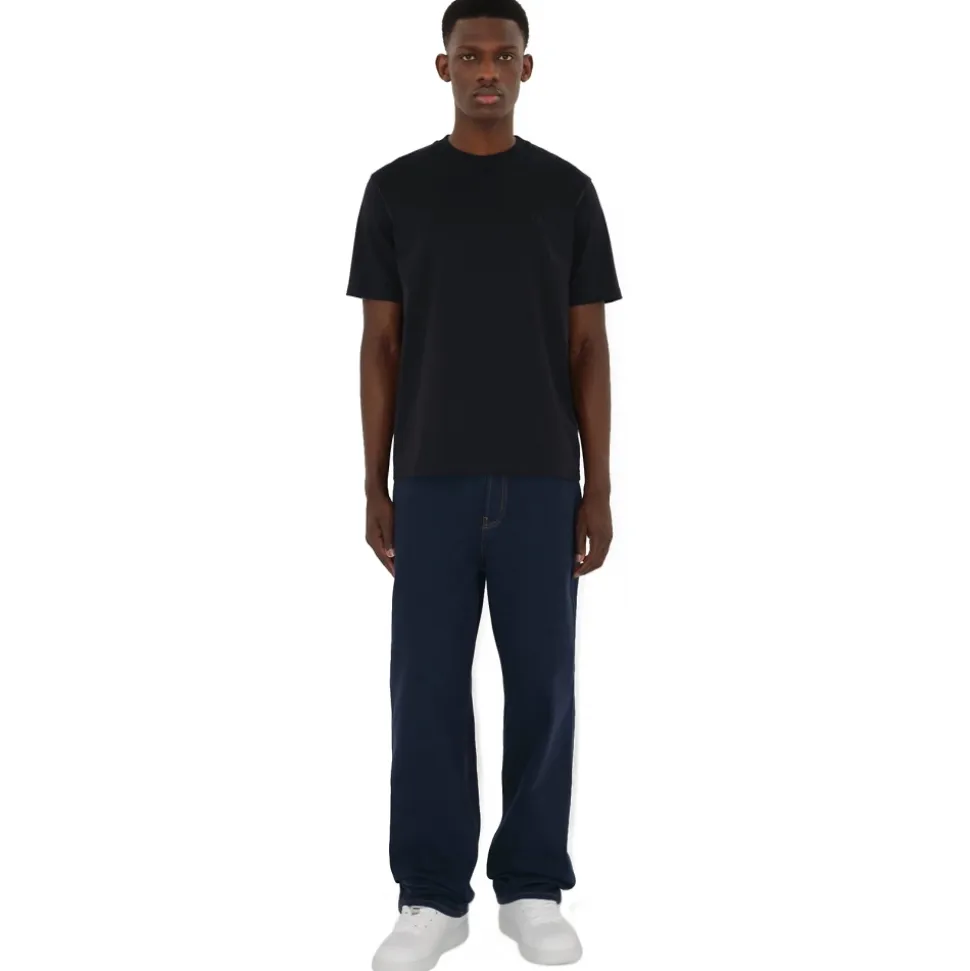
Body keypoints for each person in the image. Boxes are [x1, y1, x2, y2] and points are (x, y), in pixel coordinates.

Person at [346, 1, 621, 967]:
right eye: (471, 55)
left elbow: (588, 346)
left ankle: (533, 885)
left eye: (504, 55)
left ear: (527, 68)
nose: (488, 70)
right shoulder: (396, 191)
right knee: (425, 687)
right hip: (429, 477)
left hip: (543, 477)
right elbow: (380, 344)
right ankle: (431, 896)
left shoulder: (567, 193)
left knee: (543, 685)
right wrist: (374, 482)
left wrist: (600, 486)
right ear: (444, 67)